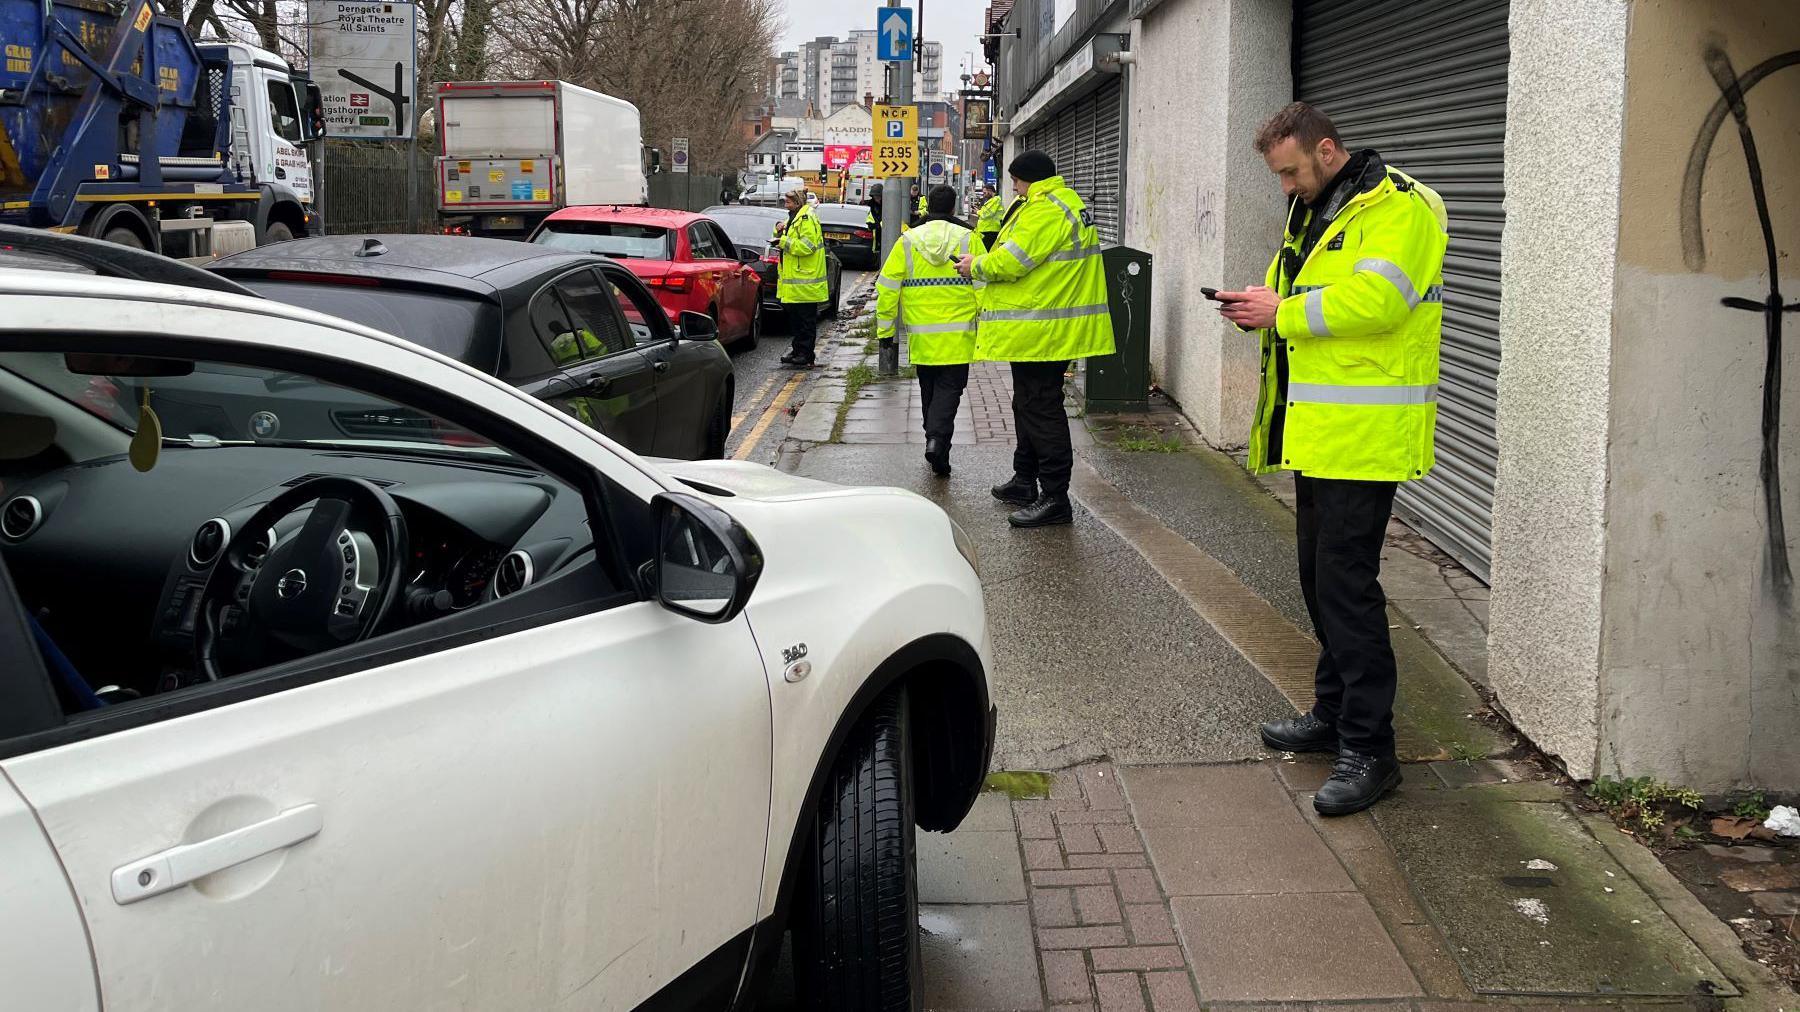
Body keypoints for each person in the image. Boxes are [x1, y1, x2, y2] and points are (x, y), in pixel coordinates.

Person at [1217, 102, 1448, 816]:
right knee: (1320, 583)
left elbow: (1379, 302)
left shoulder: (1401, 207)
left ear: (1325, 149)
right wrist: (1262, 301)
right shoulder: (1316, 206)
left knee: (1348, 591)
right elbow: (1310, 291)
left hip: (1367, 437)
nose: (1285, 187)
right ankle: (1332, 713)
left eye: (1290, 172)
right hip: (1319, 431)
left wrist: (1279, 312)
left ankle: (1370, 750)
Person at [956, 151, 1114, 528]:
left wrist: (973, 265)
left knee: (1041, 408)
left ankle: (1055, 498)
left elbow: (1011, 262)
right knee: (1027, 403)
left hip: (1045, 328)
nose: (1013, 188)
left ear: (1029, 178)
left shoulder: (1046, 210)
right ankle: (1025, 481)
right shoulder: (1059, 203)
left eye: (1016, 181)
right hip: (1040, 328)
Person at [876, 184, 985, 476]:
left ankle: (935, 442)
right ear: (953, 208)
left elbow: (886, 287)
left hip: (922, 334)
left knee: (929, 390)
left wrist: (886, 332)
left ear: (927, 208)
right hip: (958, 334)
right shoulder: (969, 239)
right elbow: (984, 286)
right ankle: (937, 441)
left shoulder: (908, 241)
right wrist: (986, 326)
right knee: (950, 392)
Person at [774, 187, 829, 369]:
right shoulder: (794, 216)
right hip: (796, 281)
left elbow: (807, 246)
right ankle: (797, 350)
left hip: (806, 280)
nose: (786, 204)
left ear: (797, 203)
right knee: (796, 320)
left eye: (788, 202)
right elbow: (786, 234)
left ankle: (805, 354)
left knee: (806, 322)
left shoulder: (806, 218)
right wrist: (778, 230)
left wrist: (782, 242)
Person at [974, 182, 1006, 251]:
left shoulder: (995, 200)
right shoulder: (992, 201)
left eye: (985, 193)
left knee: (985, 251)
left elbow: (985, 214)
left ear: (990, 191)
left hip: (990, 230)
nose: (984, 195)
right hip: (988, 230)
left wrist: (977, 211)